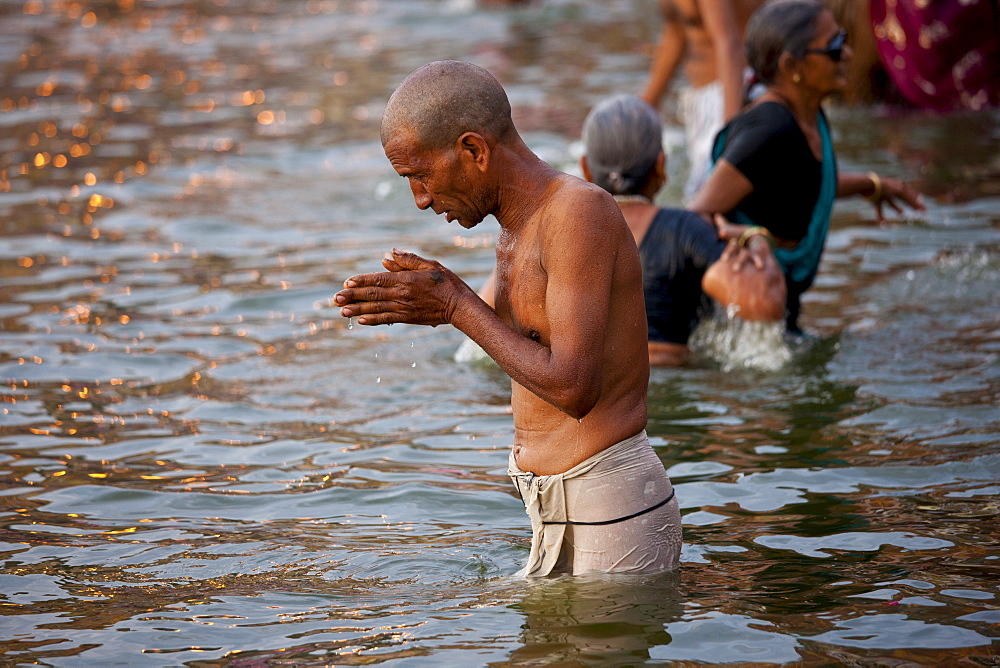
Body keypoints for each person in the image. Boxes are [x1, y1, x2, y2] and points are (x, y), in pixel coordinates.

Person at [334, 61, 681, 577]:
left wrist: (455, 305)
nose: (421, 199)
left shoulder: (577, 213)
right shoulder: (517, 227)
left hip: (609, 508)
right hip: (557, 512)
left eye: (420, 175)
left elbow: (574, 387)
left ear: (474, 151)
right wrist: (444, 306)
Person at [688, 0, 925, 334]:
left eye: (842, 40)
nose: (847, 54)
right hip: (737, 321)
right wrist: (752, 240)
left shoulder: (806, 113)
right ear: (791, 66)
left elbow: (795, 183)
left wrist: (871, 185)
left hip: (778, 305)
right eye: (833, 47)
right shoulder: (768, 129)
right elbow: (694, 215)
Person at [580, 94, 786, 367]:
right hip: (668, 380)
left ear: (585, 168)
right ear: (661, 166)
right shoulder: (683, 229)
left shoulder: (557, 234)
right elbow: (764, 305)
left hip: (589, 391)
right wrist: (756, 238)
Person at [640, 0, 764, 202]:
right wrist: (645, 107)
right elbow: (677, 32)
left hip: (733, 93)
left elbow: (728, 43)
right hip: (703, 100)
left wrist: (730, 134)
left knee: (706, 199)